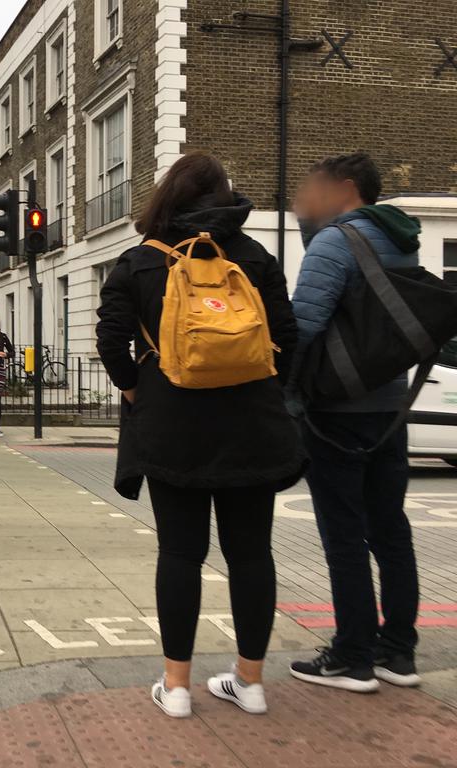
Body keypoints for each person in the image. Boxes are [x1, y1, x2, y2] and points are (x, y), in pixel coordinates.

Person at [96, 152, 302, 719]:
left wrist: (136, 390)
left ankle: (178, 687)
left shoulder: (141, 261)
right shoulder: (254, 257)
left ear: (169, 194)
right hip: (252, 426)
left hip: (172, 424)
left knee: (181, 553)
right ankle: (250, 682)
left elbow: (111, 340)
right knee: (252, 553)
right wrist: (260, 389)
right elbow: (287, 337)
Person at [287, 153, 422, 692]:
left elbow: (302, 326)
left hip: (337, 413)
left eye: (316, 187)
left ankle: (352, 656)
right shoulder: (401, 239)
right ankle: (399, 652)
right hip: (390, 409)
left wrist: (285, 398)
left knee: (343, 535)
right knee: (390, 530)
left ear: (346, 188)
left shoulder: (335, 242)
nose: (307, 197)